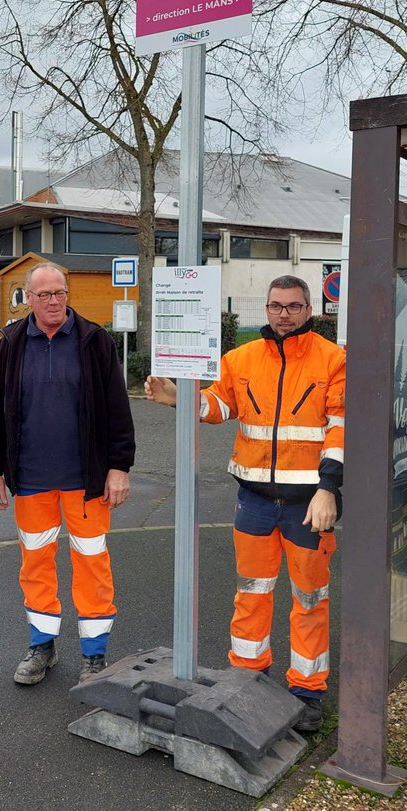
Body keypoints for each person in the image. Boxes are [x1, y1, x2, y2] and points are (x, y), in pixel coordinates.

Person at [145, 275, 345, 733]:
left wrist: (329, 489)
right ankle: (248, 677)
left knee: (309, 599)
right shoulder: (241, 358)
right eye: (276, 306)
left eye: (293, 307)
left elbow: (339, 427)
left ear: (309, 309)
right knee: (251, 594)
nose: (283, 314)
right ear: (267, 309)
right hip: (253, 498)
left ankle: (307, 691)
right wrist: (181, 399)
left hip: (308, 504)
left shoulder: (333, 359)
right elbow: (220, 405)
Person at [0, 263, 136, 685]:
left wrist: (118, 467)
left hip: (85, 480)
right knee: (35, 562)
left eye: (60, 293)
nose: (54, 301)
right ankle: (41, 647)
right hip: (29, 477)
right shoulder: (12, 343)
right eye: (44, 294)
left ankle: (95, 656)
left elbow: (117, 411)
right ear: (27, 299)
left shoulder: (94, 341)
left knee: (92, 564)